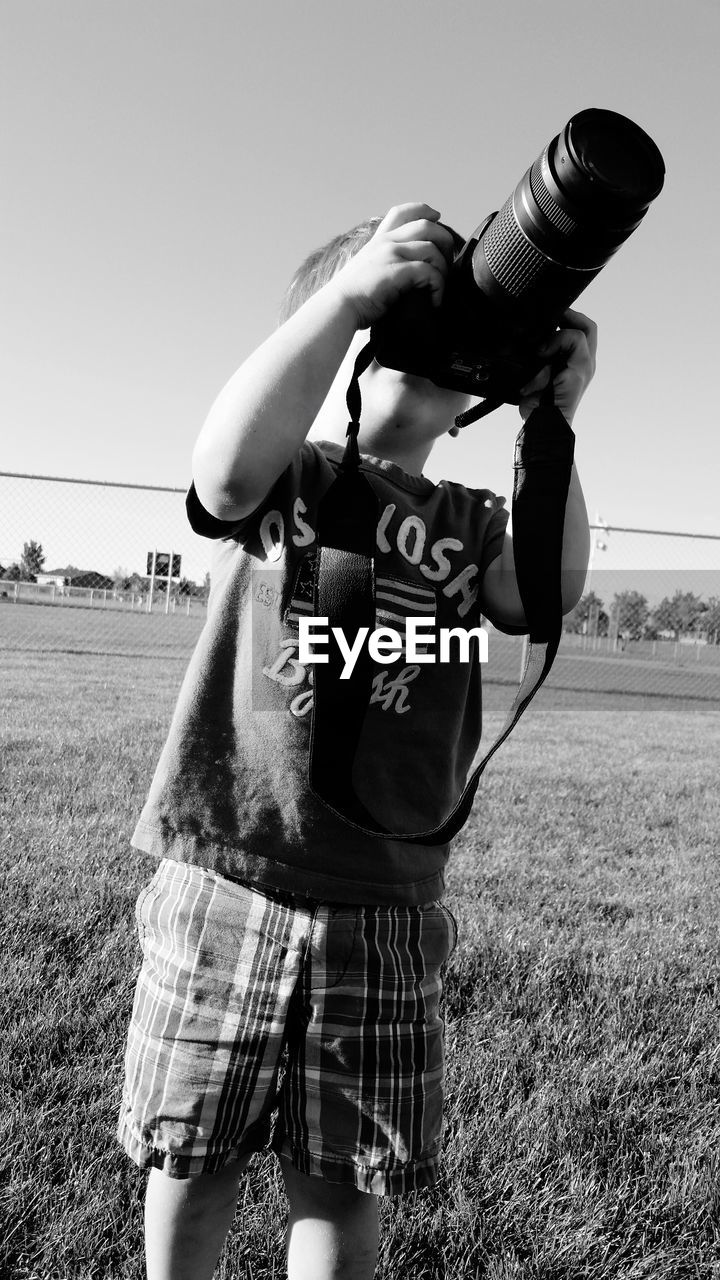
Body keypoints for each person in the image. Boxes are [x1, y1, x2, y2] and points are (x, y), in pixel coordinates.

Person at [117, 203, 596, 1280]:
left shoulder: (473, 521)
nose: (435, 344)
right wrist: (343, 300)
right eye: (407, 318)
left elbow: (547, 593)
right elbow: (222, 471)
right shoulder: (289, 474)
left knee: (342, 1181)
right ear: (346, 350)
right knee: (192, 1160)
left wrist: (555, 419)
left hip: (384, 902)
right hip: (230, 873)